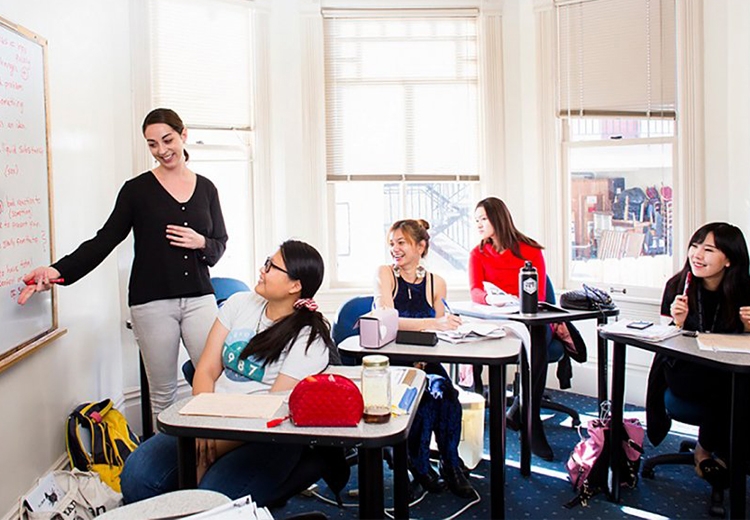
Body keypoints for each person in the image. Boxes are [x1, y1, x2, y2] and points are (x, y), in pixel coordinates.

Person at [17, 108, 228, 415]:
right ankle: (169, 462)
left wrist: (202, 242)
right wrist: (56, 270)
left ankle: (211, 459)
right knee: (164, 395)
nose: (162, 150)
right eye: (152, 144)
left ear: (183, 135)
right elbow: (104, 240)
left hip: (200, 299)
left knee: (215, 386)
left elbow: (219, 244)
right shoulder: (136, 191)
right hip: (152, 304)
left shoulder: (206, 188)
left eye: (167, 139)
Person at [121, 240, 338, 504]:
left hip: (266, 436)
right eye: (266, 261)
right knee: (136, 478)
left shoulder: (309, 337)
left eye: (272, 266)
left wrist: (213, 447)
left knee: (210, 501)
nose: (262, 269)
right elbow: (206, 369)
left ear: (295, 285)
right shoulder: (239, 303)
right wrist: (202, 428)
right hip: (209, 421)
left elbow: (275, 408)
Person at [374, 219, 475, 499]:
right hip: (392, 364)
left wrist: (448, 325)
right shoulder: (385, 275)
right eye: (392, 243)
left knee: (447, 394)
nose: (395, 249)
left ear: (421, 246)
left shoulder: (435, 283)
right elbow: (390, 321)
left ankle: (449, 463)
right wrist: (435, 324)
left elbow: (443, 324)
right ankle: (418, 466)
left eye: (401, 242)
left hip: (426, 360)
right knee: (425, 398)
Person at [647, 222, 750, 489]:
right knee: (729, 384)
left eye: (709, 249)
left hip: (729, 370)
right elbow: (662, 342)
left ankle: (725, 451)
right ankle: (706, 451)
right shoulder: (678, 286)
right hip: (683, 370)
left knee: (735, 379)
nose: (697, 255)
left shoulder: (744, 291)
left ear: (729, 259)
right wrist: (677, 323)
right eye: (695, 246)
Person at [468, 196, 555, 461]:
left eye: (483, 219)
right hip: (498, 319)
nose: (479, 225)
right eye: (476, 221)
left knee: (538, 342)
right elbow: (475, 291)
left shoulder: (529, 249)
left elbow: (539, 294)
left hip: (529, 319)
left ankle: (531, 418)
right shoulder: (477, 253)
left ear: (498, 218)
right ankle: (519, 411)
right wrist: (489, 299)